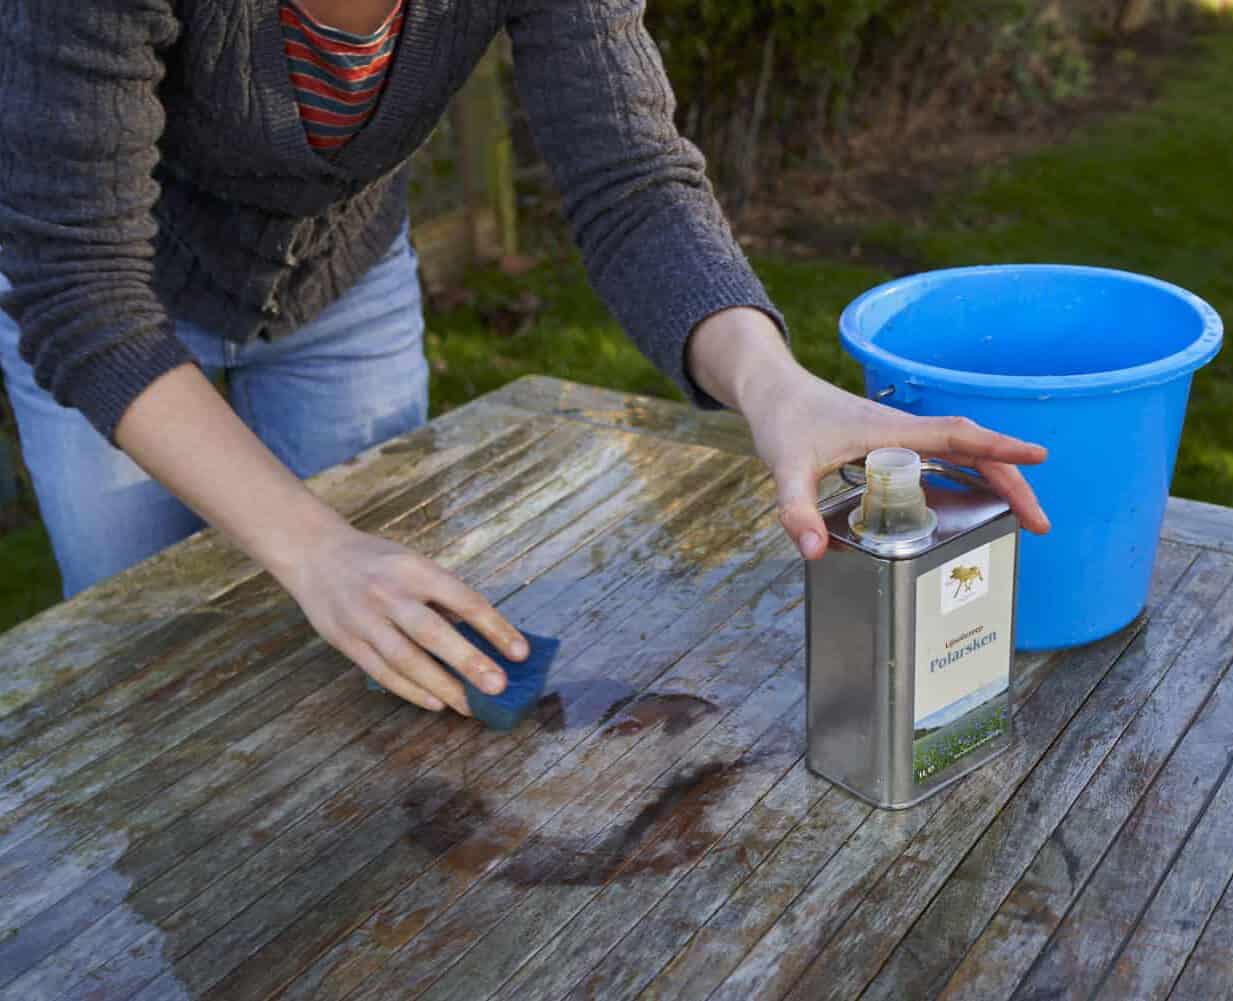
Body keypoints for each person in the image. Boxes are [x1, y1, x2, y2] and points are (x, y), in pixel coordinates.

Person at [0, 0, 1048, 718]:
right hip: (108, 299)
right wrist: (312, 546)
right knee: (153, 656)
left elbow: (632, 183)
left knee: (386, 640)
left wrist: (774, 387)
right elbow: (81, 289)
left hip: (340, 273)